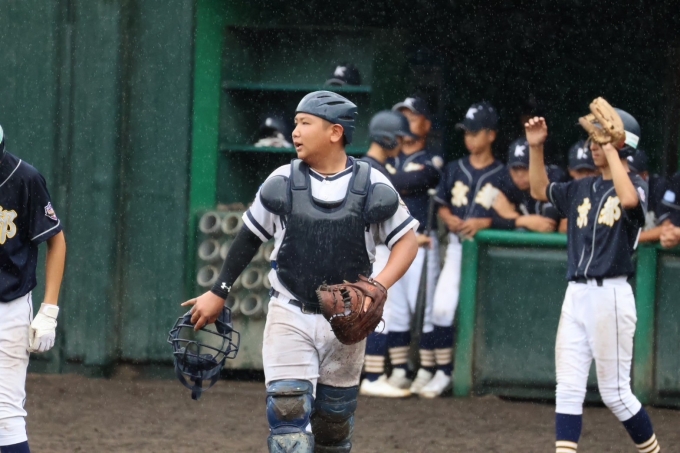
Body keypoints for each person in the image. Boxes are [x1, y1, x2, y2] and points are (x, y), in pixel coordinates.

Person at [182, 91, 418, 452]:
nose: (295, 131)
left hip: (346, 317)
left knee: (333, 426)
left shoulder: (373, 184)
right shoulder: (282, 180)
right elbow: (248, 238)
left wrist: (377, 287)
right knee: (287, 415)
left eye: (305, 123)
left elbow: (407, 243)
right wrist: (219, 290)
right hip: (289, 310)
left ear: (335, 132)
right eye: (295, 123)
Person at [526, 111, 661, 453]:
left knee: (615, 394)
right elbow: (539, 189)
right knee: (568, 389)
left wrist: (613, 149)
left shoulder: (636, 185)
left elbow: (629, 201)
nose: (593, 145)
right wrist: (536, 148)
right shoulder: (582, 187)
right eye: (593, 139)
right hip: (576, 294)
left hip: (610, 295)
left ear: (621, 143)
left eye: (601, 138)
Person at [422, 102, 505, 398]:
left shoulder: (503, 173)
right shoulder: (455, 168)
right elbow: (442, 205)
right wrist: (449, 218)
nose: (469, 138)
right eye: (466, 132)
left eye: (475, 132)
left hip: (492, 255)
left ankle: (487, 373)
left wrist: (488, 221)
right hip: (458, 249)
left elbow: (512, 215)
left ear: (491, 135)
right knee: (441, 308)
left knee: (491, 315)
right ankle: (444, 373)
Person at [0, 125, 66, 453]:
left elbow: (56, 241)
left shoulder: (24, 178)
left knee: (5, 415)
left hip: (8, 306)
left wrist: (49, 310)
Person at [373, 96, 442, 396]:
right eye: (402, 116)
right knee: (395, 308)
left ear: (426, 124)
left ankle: (428, 369)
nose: (406, 123)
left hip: (421, 241)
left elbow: (421, 178)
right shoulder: (392, 159)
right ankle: (400, 369)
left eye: (412, 117)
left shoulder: (432, 158)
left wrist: (389, 178)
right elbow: (398, 182)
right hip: (390, 242)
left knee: (424, 307)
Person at [359, 110, 420, 398]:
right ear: (386, 137)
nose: (402, 143)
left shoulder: (367, 167)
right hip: (376, 249)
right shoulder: (374, 171)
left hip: (372, 248)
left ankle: (379, 373)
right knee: (378, 308)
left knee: (380, 308)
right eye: (398, 137)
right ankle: (372, 376)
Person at [492, 137, 563, 232]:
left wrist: (512, 216)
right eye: (515, 169)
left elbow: (547, 227)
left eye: (525, 168)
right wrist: (521, 220)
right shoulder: (507, 182)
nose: (519, 175)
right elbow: (490, 220)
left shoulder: (554, 179)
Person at [557, 141, 600, 232]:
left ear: (598, 170)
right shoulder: (568, 191)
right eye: (580, 172)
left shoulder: (604, 191)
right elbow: (563, 228)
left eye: (589, 171)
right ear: (570, 171)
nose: (585, 176)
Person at [627, 149, 669, 243]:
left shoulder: (659, 187)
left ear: (644, 175)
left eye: (631, 173)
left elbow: (668, 228)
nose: (627, 177)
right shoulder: (616, 187)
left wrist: (632, 239)